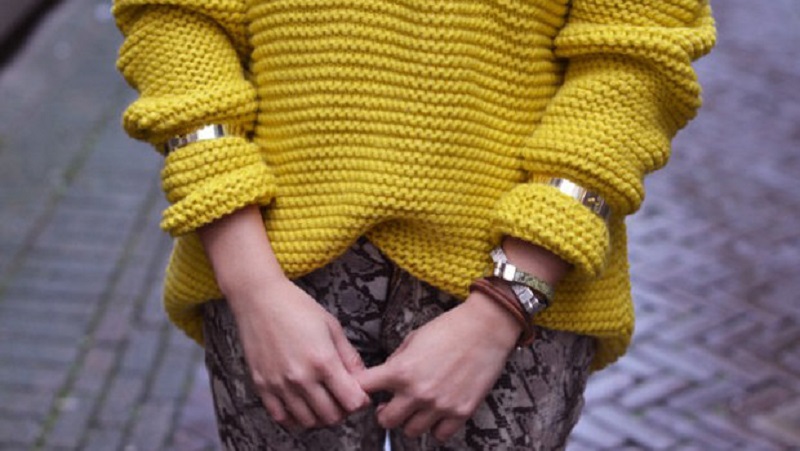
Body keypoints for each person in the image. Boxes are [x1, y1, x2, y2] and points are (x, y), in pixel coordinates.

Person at [112, 0, 715, 449]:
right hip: (273, 265)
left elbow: (635, 58)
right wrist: (253, 284)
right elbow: (175, 21)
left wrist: (506, 302)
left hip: (513, 276)